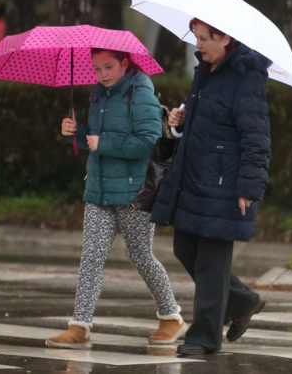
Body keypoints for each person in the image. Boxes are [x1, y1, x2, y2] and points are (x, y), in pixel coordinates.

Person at [46, 48, 187, 349]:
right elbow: (94, 141)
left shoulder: (141, 92)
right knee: (91, 258)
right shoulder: (98, 95)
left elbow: (149, 142)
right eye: (96, 69)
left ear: (125, 63)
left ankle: (171, 316)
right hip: (98, 190)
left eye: (108, 67)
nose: (102, 74)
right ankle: (80, 326)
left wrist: (103, 143)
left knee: (141, 256)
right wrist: (76, 131)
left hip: (134, 191)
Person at [152, 18, 270, 357]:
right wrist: (180, 122)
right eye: (197, 38)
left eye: (204, 39)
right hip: (195, 177)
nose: (198, 45)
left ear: (225, 37)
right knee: (184, 249)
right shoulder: (205, 70)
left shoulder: (246, 76)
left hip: (226, 182)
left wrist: (249, 186)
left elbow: (256, 137)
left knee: (211, 263)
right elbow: (206, 120)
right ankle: (243, 300)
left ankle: (204, 337)